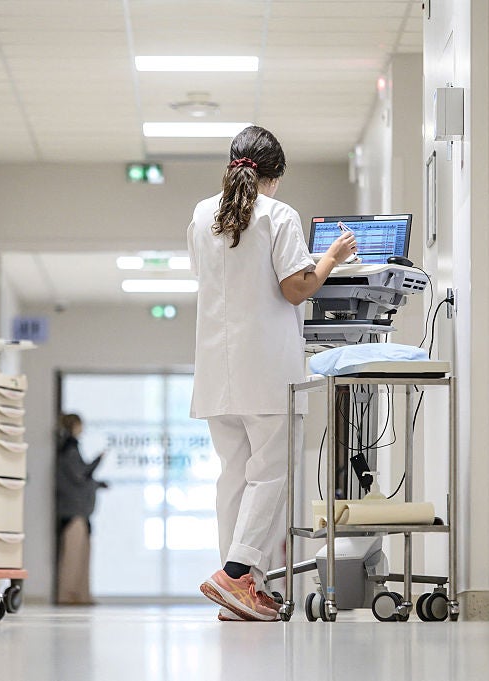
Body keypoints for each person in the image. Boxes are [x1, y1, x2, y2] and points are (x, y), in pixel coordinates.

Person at [187, 125, 358, 622]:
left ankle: (242, 591)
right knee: (272, 474)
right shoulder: (277, 214)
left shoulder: (202, 213)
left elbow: (207, 276)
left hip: (217, 372)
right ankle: (237, 572)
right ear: (275, 177)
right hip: (265, 370)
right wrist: (331, 258)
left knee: (234, 480)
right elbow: (295, 288)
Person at [55, 413, 108, 605]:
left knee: (81, 555)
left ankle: (80, 595)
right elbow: (80, 475)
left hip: (79, 512)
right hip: (73, 512)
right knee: (73, 557)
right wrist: (98, 461)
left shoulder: (69, 448)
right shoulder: (69, 449)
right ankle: (69, 595)